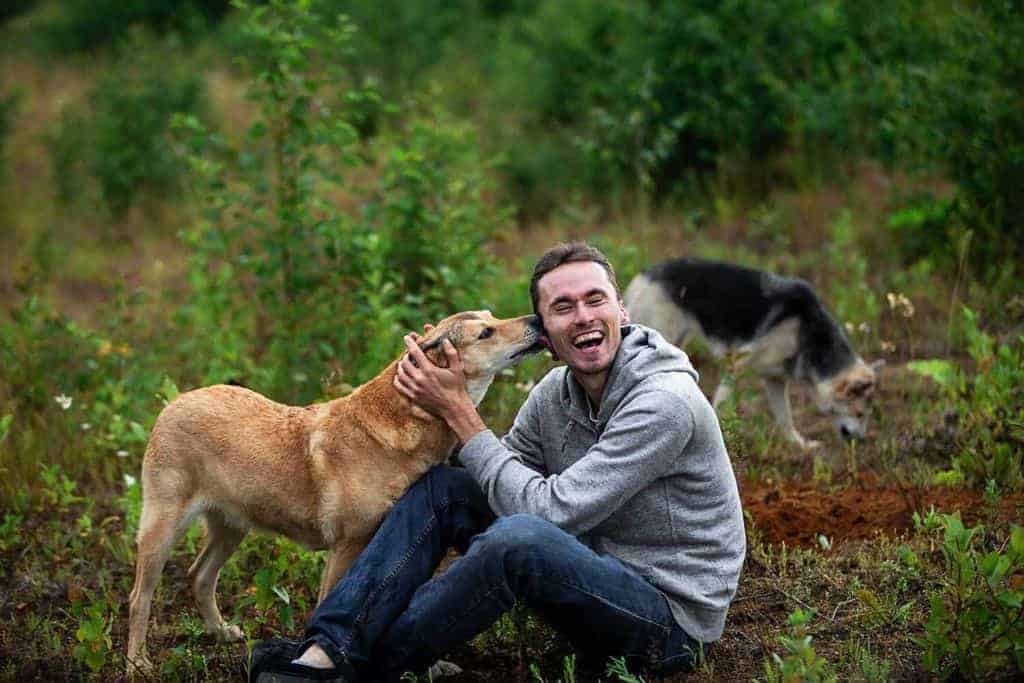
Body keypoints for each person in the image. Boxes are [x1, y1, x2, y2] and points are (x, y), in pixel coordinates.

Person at [250, 242, 746, 682]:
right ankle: (327, 649)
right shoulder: (557, 392)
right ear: (543, 331)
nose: (583, 317)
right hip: (590, 565)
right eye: (562, 308)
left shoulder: (664, 402)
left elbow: (551, 515)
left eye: (596, 300)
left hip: (666, 619)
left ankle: (361, 666)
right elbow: (495, 478)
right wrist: (426, 402)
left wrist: (462, 415)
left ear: (622, 307)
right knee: (446, 488)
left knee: (518, 539)